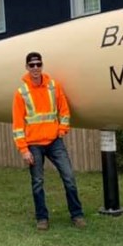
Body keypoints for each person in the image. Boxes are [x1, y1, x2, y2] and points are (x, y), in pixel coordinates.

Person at [12, 52, 86, 231]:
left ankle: (77, 215)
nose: (35, 68)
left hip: (54, 142)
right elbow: (18, 124)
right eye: (32, 65)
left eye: (38, 64)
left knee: (69, 177)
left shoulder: (53, 86)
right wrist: (24, 150)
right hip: (34, 144)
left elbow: (64, 110)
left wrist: (62, 130)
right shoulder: (21, 93)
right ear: (27, 68)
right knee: (37, 182)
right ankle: (42, 218)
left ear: (42, 66)